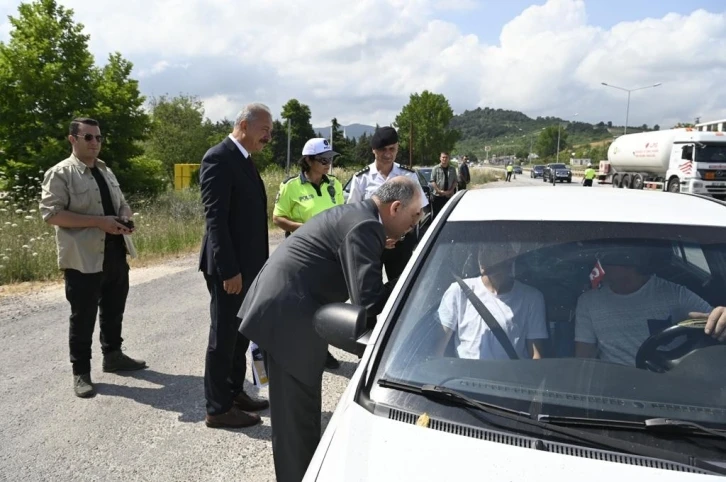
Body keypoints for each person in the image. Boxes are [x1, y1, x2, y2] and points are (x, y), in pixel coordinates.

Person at [239, 176, 424, 482]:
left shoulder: (362, 218)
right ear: (395, 208)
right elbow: (368, 302)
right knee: (296, 426)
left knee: (302, 418)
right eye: (415, 214)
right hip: (288, 319)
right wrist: (413, 278)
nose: (415, 223)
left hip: (289, 309)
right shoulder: (365, 226)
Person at [40, 117, 146, 399]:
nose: (95, 143)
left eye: (98, 138)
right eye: (89, 137)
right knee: (83, 316)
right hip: (83, 257)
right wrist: (99, 222)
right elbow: (51, 214)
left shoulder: (105, 170)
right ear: (72, 139)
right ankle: (81, 373)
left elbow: (122, 202)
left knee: (114, 308)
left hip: (114, 252)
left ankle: (113, 356)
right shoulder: (61, 173)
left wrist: (124, 215)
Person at [198, 103, 271, 429]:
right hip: (231, 270)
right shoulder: (219, 158)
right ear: (244, 124)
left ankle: (233, 392)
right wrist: (229, 270)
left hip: (250, 268)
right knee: (223, 337)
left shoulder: (244, 159)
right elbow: (216, 220)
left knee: (240, 334)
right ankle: (217, 408)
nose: (269, 136)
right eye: (264, 130)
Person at [575, 245, 726, 366]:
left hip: (674, 384)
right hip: (616, 392)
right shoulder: (588, 302)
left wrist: (722, 316)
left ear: (630, 261)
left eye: (607, 258)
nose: (601, 264)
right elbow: (583, 361)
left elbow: (716, 322)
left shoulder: (675, 294)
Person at [272, 137, 345, 370]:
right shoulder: (291, 186)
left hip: (330, 253)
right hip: (303, 253)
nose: (328, 164)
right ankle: (303, 348)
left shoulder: (335, 184)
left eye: (331, 159)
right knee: (303, 304)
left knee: (325, 303)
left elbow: (341, 215)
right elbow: (278, 217)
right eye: (323, 159)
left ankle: (321, 349)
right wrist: (303, 228)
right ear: (308, 160)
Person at [437, 243, 548, 359]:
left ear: (511, 255)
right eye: (481, 249)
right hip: (465, 376)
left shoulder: (531, 298)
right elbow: (437, 350)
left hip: (511, 376)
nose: (482, 256)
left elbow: (536, 356)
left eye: (491, 249)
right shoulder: (458, 291)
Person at [347, 126, 429, 282]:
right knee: (369, 290)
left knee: (401, 288)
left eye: (392, 149)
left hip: (401, 243)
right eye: (383, 150)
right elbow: (353, 214)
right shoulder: (361, 178)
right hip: (371, 244)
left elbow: (420, 211)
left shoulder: (408, 175)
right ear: (374, 150)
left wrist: (401, 233)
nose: (388, 154)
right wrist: (378, 239)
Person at [430, 151, 458, 216]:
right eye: (443, 157)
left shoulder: (452, 169)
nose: (444, 159)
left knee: (449, 215)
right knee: (437, 215)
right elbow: (432, 181)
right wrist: (439, 191)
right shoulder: (435, 168)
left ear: (448, 159)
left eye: (446, 157)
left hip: (449, 196)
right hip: (438, 196)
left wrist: (450, 191)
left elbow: (455, 181)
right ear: (440, 158)